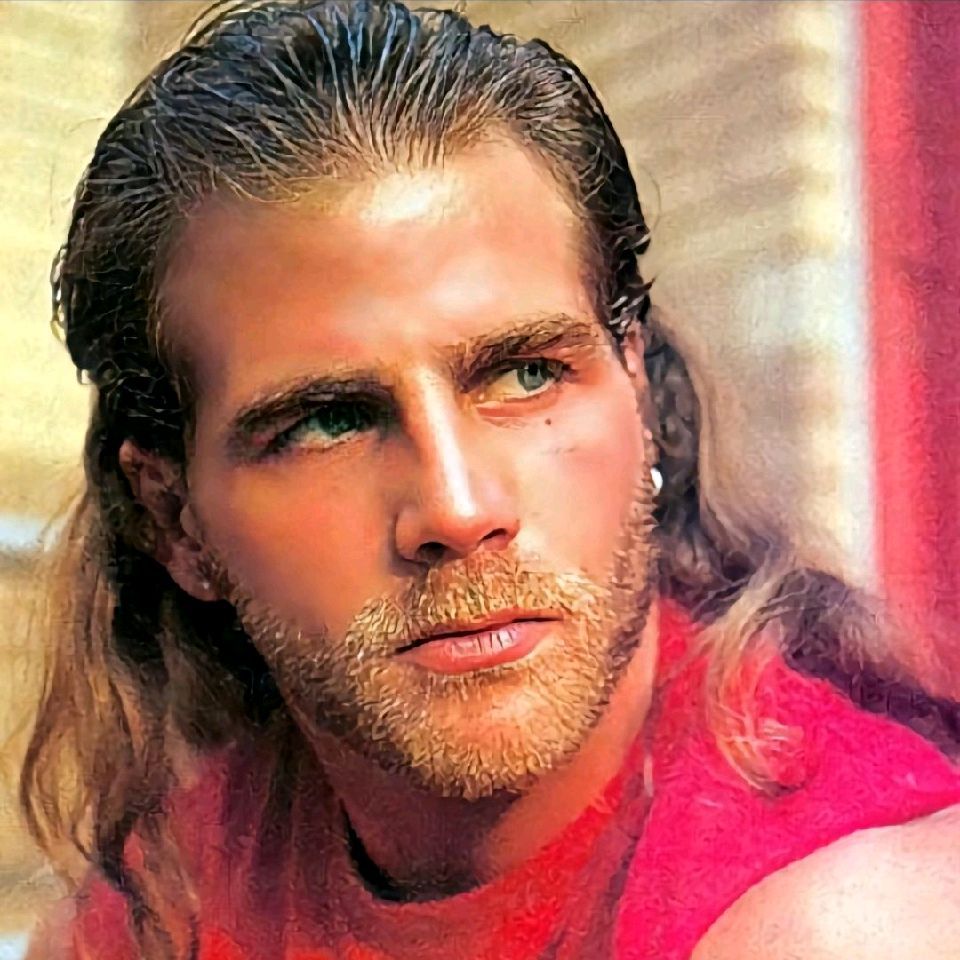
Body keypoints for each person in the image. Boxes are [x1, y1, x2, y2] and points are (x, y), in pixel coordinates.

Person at [20, 2, 960, 958]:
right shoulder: (160, 904)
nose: (459, 509)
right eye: (328, 421)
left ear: (635, 389)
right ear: (176, 521)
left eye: (526, 374)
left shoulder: (848, 919)